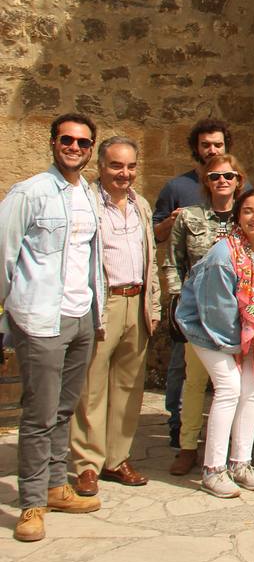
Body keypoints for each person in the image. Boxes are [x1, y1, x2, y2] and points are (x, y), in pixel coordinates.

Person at [0, 114, 104, 542]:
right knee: (39, 414)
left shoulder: (89, 195)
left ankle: (57, 485)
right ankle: (31, 504)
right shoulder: (29, 193)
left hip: (81, 314)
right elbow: (4, 255)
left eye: (83, 142)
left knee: (64, 408)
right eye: (68, 139)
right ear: (53, 142)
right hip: (40, 317)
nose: (75, 147)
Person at [175, 189, 254, 497]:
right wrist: (236, 348)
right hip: (209, 331)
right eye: (248, 211)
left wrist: (251, 341)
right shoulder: (224, 256)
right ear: (237, 216)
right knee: (229, 388)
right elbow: (216, 312)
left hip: (249, 330)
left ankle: (240, 463)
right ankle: (213, 469)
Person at [70, 137, 158, 497]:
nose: (125, 174)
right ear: (101, 167)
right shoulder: (87, 203)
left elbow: (149, 256)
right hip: (103, 303)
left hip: (135, 301)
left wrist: (151, 305)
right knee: (91, 388)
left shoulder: (141, 205)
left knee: (128, 386)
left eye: (131, 166)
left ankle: (117, 459)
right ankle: (87, 465)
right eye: (116, 166)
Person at [163, 153, 247, 478]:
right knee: (195, 382)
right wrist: (174, 303)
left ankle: (230, 449)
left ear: (238, 180)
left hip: (238, 315)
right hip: (198, 315)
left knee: (237, 386)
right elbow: (173, 261)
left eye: (228, 176)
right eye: (215, 177)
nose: (222, 181)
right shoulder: (189, 218)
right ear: (206, 182)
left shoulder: (248, 216)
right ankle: (188, 446)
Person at [153, 117, 233, 450]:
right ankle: (179, 428)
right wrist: (174, 301)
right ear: (196, 149)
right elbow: (161, 242)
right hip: (192, 304)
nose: (212, 150)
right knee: (183, 372)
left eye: (217, 144)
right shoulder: (177, 188)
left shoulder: (238, 198)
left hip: (230, 305)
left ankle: (220, 434)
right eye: (206, 145)